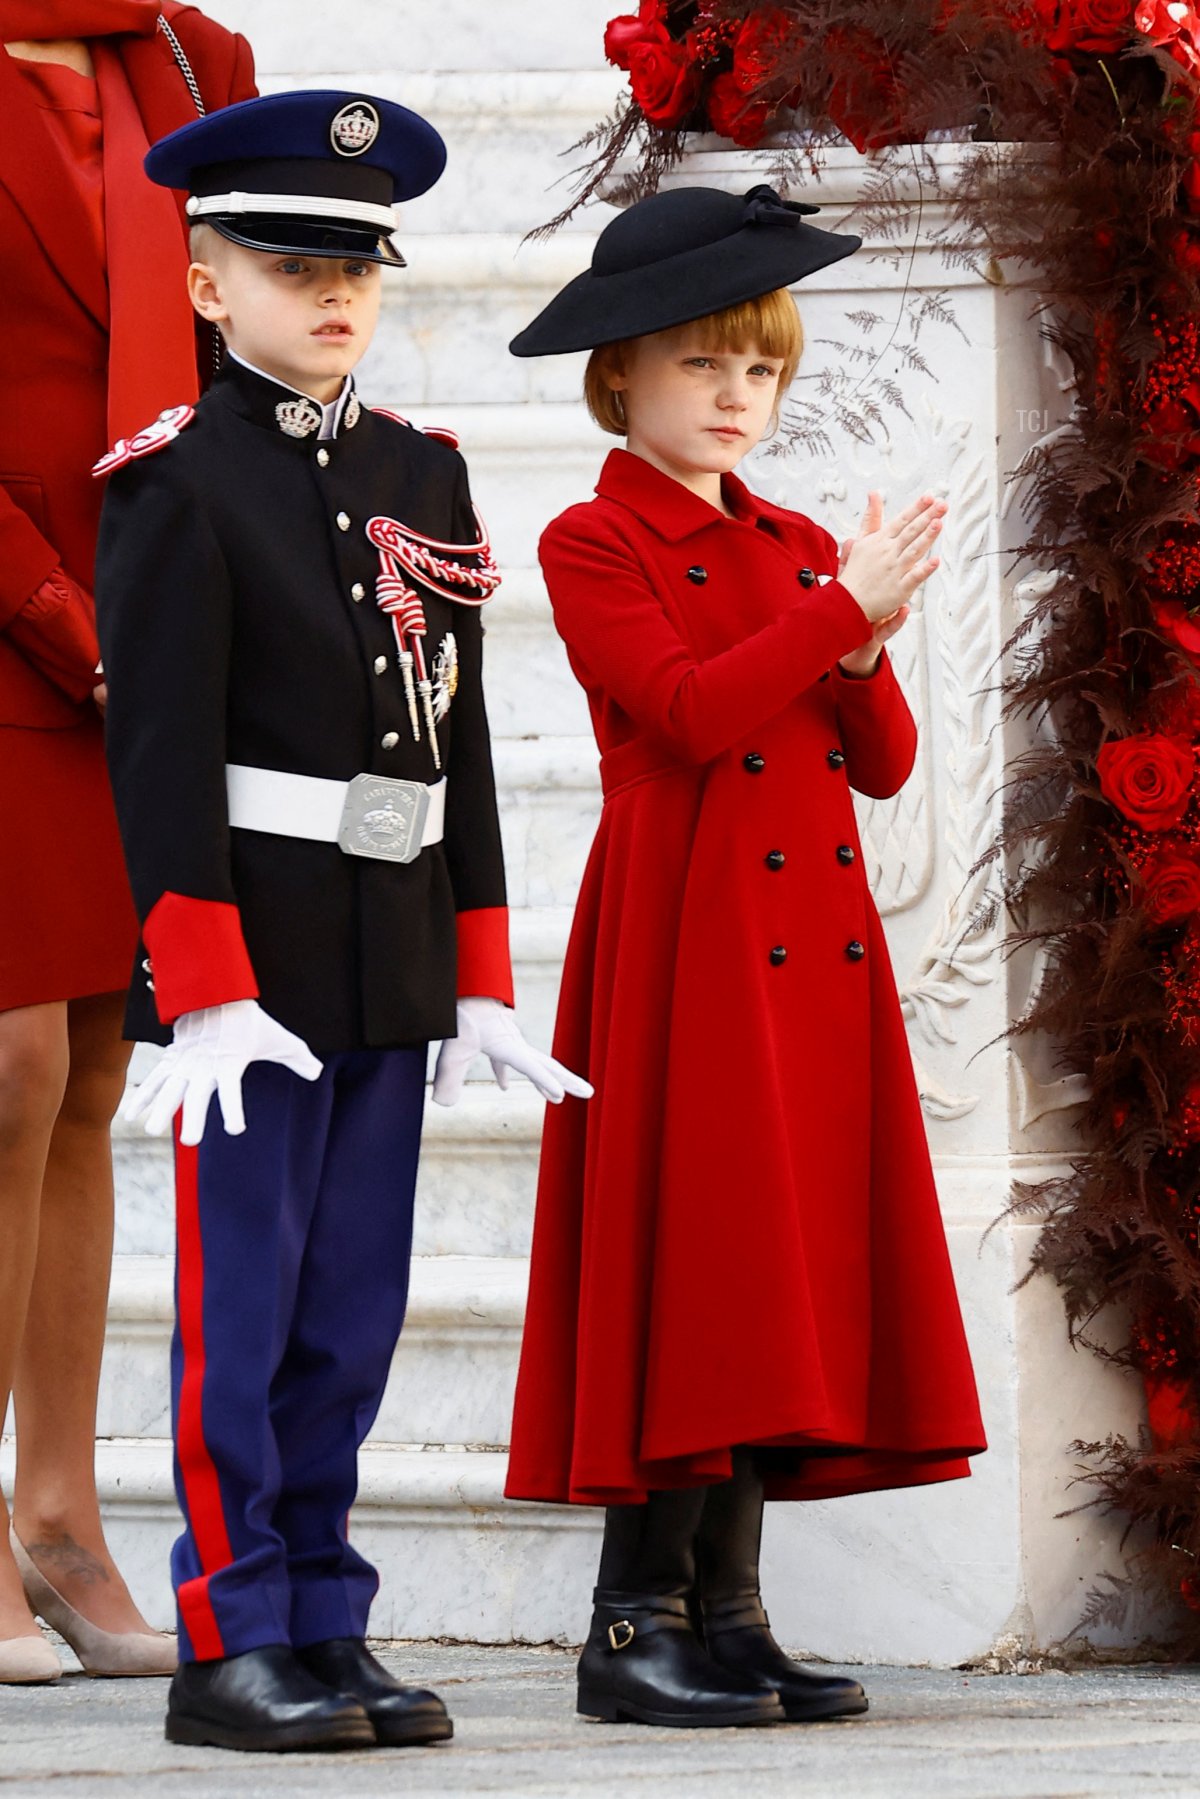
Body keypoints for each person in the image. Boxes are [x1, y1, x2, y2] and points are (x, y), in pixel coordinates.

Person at [93, 88, 590, 1753]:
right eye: (289, 262)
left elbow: (456, 747)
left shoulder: (421, 472)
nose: (333, 295)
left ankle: (326, 1615)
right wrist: (204, 987)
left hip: (387, 948)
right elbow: (159, 759)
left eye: (358, 268)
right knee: (245, 1309)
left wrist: (482, 971)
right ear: (205, 283)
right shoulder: (179, 482)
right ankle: (230, 1635)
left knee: (352, 1309)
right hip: (259, 965)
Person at [504, 184, 988, 1729]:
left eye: (761, 370)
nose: (735, 397)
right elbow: (692, 715)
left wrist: (858, 641)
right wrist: (838, 609)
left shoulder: (786, 537)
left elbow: (887, 759)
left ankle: (731, 1611)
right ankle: (629, 1618)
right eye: (703, 364)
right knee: (690, 1248)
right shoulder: (593, 537)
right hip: (687, 927)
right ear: (621, 377)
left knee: (778, 1265)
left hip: (809, 954)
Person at [0, 0, 254, 1684]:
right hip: (14, 607)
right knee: (9, 1062)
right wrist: (63, 616)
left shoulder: (194, 63)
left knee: (95, 1066)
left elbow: (254, 346)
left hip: (149, 626)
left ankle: (59, 1510)